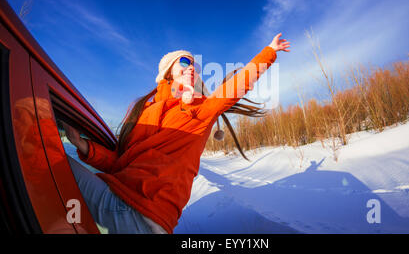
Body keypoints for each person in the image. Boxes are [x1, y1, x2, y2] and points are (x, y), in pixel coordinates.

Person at [64, 33, 291, 234]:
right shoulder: (144, 110)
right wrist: (84, 147)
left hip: (143, 215)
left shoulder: (200, 109)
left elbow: (236, 86)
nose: (192, 67)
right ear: (167, 72)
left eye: (194, 65)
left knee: (51, 160)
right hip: (119, 201)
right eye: (185, 62)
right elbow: (122, 162)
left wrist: (269, 52)